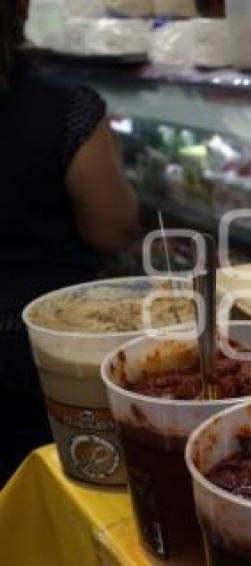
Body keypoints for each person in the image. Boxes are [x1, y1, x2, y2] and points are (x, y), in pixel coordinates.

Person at [0, 0, 138, 484]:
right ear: (21, 8)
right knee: (54, 491)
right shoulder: (64, 107)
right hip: (41, 346)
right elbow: (112, 229)